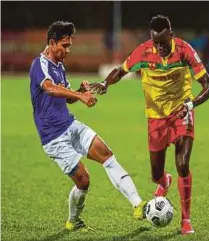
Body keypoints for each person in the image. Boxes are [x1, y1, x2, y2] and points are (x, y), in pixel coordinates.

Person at [90, 15, 209, 235]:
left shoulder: (185, 51)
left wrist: (191, 103)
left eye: (164, 43)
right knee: (156, 174)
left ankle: (186, 220)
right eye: (156, 43)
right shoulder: (143, 52)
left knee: (183, 163)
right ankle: (164, 181)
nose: (160, 48)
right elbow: (121, 70)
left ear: (171, 36)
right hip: (155, 118)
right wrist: (105, 83)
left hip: (181, 112)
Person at [29, 21, 146, 232]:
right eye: (64, 45)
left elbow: (65, 98)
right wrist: (80, 96)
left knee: (106, 153)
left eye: (69, 45)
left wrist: (78, 91)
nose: (68, 50)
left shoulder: (59, 66)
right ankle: (73, 220)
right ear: (52, 42)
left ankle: (138, 204)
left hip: (70, 124)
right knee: (83, 181)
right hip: (53, 137)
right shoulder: (40, 64)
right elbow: (49, 88)